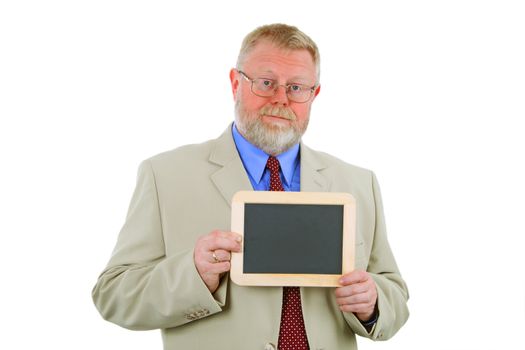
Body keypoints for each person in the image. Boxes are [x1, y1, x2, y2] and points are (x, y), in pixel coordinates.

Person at [92, 23, 409, 350]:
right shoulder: (165, 175)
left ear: (314, 94)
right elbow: (113, 295)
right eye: (266, 83)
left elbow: (395, 295)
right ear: (235, 83)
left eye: (297, 87)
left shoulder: (358, 183)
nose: (281, 99)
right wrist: (193, 275)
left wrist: (372, 303)